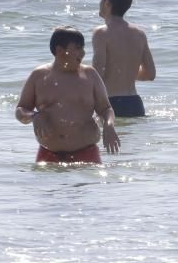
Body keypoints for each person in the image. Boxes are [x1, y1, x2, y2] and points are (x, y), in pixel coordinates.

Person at [16, 26, 120, 163]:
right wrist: (34, 116)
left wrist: (109, 125)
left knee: (92, 184)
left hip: (86, 154)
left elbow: (106, 109)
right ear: (59, 50)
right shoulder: (39, 76)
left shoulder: (90, 75)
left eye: (83, 48)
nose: (83, 53)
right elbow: (20, 110)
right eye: (77, 48)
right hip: (48, 155)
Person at [92, 0, 156, 117]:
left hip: (111, 103)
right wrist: (127, 73)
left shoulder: (101, 33)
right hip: (135, 103)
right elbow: (150, 74)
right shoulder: (139, 33)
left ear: (107, 3)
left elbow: (98, 73)